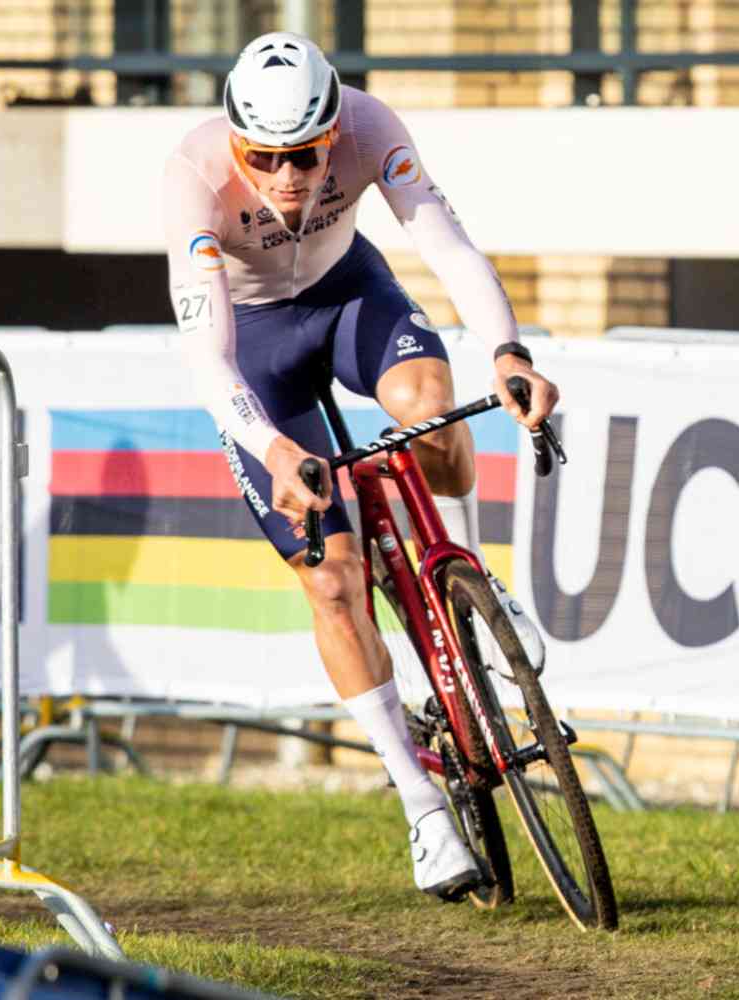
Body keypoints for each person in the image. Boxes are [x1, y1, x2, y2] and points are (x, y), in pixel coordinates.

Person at [161, 32, 559, 900]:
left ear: (334, 129)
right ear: (235, 141)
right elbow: (208, 360)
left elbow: (450, 248)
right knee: (333, 578)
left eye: (304, 154)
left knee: (430, 405)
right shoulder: (193, 174)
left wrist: (509, 353)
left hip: (347, 295)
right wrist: (273, 450)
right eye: (263, 157)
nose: (287, 176)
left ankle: (477, 586)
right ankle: (422, 809)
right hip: (255, 344)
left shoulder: (373, 124)